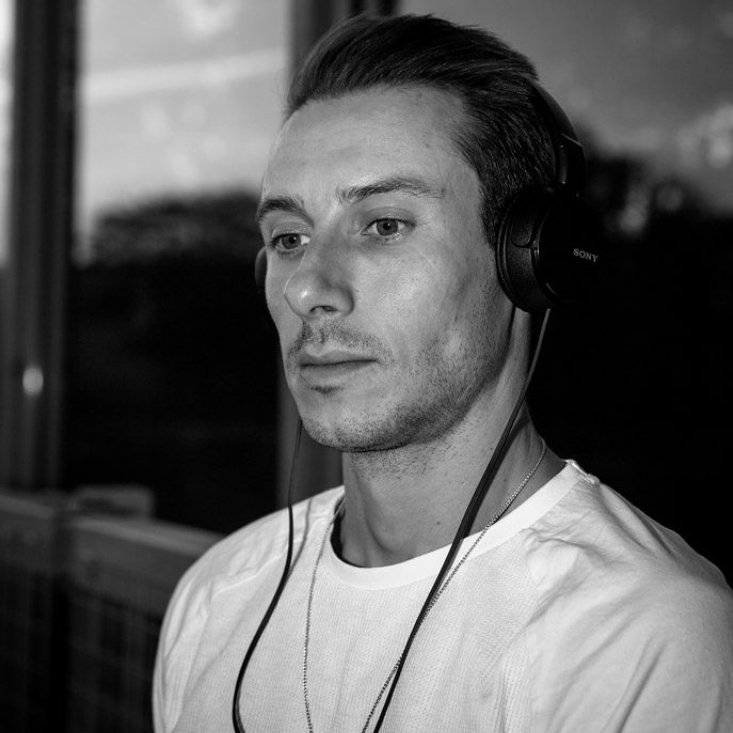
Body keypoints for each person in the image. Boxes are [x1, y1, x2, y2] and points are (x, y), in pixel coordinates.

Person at [153, 13, 733, 733]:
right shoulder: (215, 598)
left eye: (384, 225)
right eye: (289, 238)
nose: (307, 288)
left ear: (527, 258)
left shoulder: (636, 635)